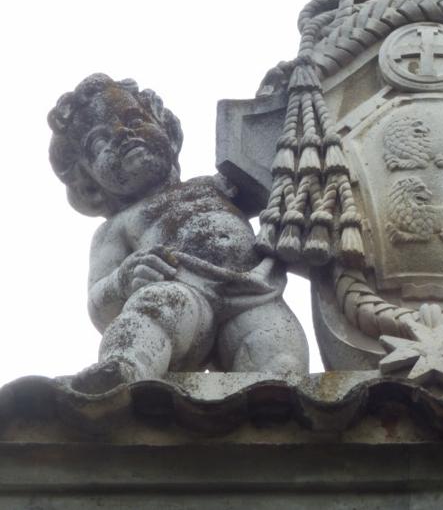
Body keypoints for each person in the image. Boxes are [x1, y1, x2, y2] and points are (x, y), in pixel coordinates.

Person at [49, 73, 308, 393]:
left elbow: (278, 166)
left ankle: (272, 406)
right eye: (100, 142)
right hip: (180, 290)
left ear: (167, 131)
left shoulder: (217, 185)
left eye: (134, 119)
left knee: (279, 355)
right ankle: (123, 371)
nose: (122, 134)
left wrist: (279, 96)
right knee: (150, 313)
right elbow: (98, 301)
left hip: (255, 291)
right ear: (90, 184)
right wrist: (125, 277)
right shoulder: (116, 227)